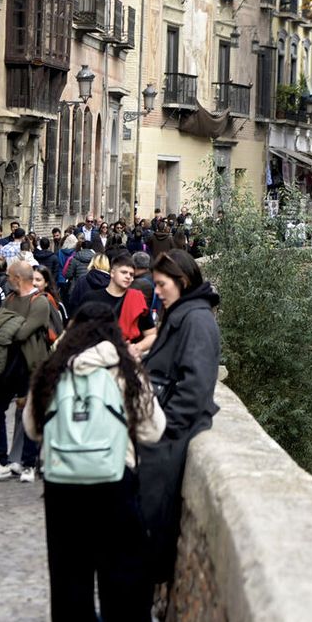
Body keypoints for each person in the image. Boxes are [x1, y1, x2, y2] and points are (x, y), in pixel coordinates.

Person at [24, 302, 168, 622]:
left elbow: (33, 429)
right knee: (124, 565)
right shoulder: (125, 369)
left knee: (68, 567)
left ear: (73, 328)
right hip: (114, 476)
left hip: (61, 482)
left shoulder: (51, 370)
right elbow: (153, 429)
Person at [138, 249, 222, 583]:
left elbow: (196, 385)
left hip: (170, 437)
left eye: (161, 285)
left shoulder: (196, 319)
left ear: (182, 282)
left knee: (152, 521)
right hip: (162, 432)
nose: (156, 292)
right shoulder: (183, 314)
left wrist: (164, 426)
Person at [0, 260, 56, 482]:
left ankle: (29, 464)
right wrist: (8, 326)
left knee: (29, 414)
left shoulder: (39, 302)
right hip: (5, 364)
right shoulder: (11, 298)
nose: (7, 280)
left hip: (29, 366)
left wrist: (7, 326)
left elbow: (21, 333)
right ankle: (0, 460)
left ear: (18, 278)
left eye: (10, 276)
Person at [90, 248, 157, 352]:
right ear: (112, 273)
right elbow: (76, 330)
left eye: (131, 274)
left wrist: (136, 348)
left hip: (127, 358)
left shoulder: (138, 299)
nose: (128, 277)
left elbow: (151, 334)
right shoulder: (92, 298)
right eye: (124, 272)